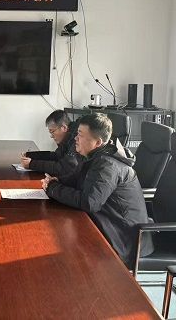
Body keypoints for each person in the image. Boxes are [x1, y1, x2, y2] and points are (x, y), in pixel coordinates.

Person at [41, 113, 153, 269]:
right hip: (107, 224)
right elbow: (77, 178)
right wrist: (57, 181)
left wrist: (53, 188)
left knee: (59, 244)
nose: (75, 138)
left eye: (80, 135)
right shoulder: (95, 156)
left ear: (98, 142)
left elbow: (89, 202)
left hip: (124, 239)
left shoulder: (108, 165)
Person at [20, 110, 80, 177]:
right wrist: (30, 155)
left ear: (64, 128)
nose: (51, 136)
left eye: (52, 131)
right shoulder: (68, 136)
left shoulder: (77, 139)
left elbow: (63, 168)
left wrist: (32, 164)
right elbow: (56, 156)